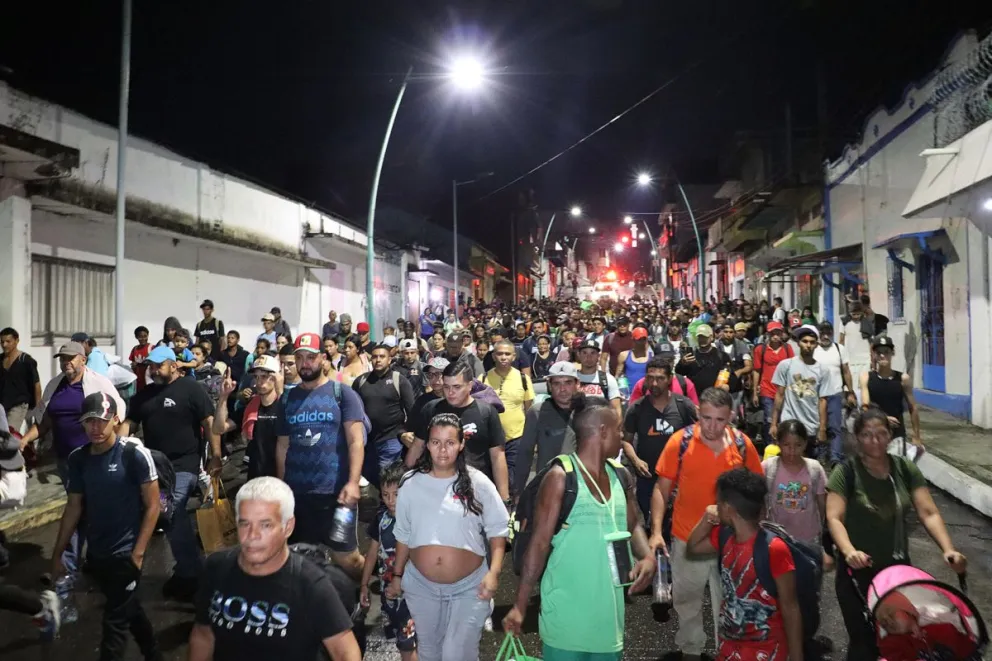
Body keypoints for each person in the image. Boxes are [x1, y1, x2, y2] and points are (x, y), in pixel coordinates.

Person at [503, 394, 656, 661]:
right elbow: (538, 545)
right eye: (618, 430)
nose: (622, 436)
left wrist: (647, 556)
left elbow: (633, 525)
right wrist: (519, 605)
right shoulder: (561, 477)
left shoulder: (621, 475)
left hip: (609, 622)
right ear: (603, 431)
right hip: (565, 620)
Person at [826, 407, 967, 661]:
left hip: (897, 573)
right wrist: (849, 552)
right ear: (857, 437)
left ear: (890, 435)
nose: (875, 440)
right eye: (867, 434)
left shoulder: (904, 469)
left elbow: (928, 512)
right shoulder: (845, 473)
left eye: (881, 433)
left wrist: (949, 549)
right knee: (864, 641)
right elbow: (834, 518)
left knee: (898, 640)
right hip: (856, 573)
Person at [188, 477, 362, 661]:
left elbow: (345, 652)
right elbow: (203, 634)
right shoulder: (217, 567)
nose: (252, 535)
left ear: (288, 527)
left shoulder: (311, 584)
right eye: (244, 523)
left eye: (266, 525)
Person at [648, 388, 764, 660]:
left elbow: (757, 491)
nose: (712, 426)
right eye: (707, 418)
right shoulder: (681, 442)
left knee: (730, 602)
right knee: (686, 601)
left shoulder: (742, 444)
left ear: (731, 417)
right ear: (698, 413)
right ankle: (690, 651)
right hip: (687, 537)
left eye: (720, 420)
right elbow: (661, 489)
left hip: (731, 542)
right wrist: (655, 532)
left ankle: (728, 651)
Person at [387, 413, 509, 661]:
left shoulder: (479, 483)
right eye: (435, 442)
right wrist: (397, 576)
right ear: (426, 444)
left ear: (461, 444)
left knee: (457, 654)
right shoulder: (410, 483)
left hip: (469, 588)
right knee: (430, 652)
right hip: (421, 586)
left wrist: (493, 573)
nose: (442, 450)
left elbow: (498, 531)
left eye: (450, 442)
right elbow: (403, 534)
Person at [51, 392, 162, 661]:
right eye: (89, 421)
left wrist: (138, 553)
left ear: (115, 420)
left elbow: (153, 505)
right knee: (128, 609)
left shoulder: (133, 454)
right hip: (98, 554)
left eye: (102, 421)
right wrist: (59, 554)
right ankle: (154, 655)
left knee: (114, 626)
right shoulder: (79, 459)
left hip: (126, 556)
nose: (95, 428)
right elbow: (73, 507)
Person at [126, 345, 220, 601]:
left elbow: (209, 423)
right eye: (151, 366)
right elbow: (129, 425)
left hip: (184, 466)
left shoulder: (191, 389)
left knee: (170, 511)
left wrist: (215, 455)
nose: (153, 371)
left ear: (174, 365)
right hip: (154, 469)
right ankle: (190, 567)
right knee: (166, 516)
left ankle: (190, 573)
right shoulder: (143, 396)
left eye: (158, 366)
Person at [685, 469, 803, 661]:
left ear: (729, 509)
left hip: (767, 651)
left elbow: (790, 606)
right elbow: (693, 547)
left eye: (718, 503)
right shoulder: (725, 536)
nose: (715, 506)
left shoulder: (774, 548)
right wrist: (707, 518)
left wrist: (797, 656)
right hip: (729, 648)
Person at [276, 333, 366, 578]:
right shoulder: (288, 399)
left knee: (346, 558)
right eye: (300, 358)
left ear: (323, 359)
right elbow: (283, 446)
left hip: (336, 495)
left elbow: (356, 441)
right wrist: (283, 489)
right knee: (302, 555)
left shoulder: (342, 394)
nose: (305, 363)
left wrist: (352, 482)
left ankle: (363, 588)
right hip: (298, 496)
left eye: (311, 357)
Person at [408, 361, 511, 505]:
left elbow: (497, 456)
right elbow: (417, 447)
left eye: (457, 387)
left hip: (476, 492)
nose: (450, 392)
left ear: (469, 386)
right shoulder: (431, 409)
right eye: (446, 387)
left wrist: (504, 499)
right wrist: (404, 483)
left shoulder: (487, 412)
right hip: (437, 492)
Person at [622, 358, 697, 525]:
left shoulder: (683, 405)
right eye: (650, 378)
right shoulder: (637, 408)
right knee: (650, 523)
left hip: (677, 478)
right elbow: (626, 441)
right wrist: (635, 461)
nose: (654, 383)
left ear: (670, 379)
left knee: (676, 523)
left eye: (660, 378)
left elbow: (701, 431)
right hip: (647, 476)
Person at [359, 463, 418, 661]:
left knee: (408, 645)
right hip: (388, 595)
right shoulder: (381, 519)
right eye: (385, 495)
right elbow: (372, 553)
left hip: (411, 596)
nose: (391, 501)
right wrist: (364, 584)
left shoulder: (416, 520)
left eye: (397, 494)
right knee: (403, 644)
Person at [762, 420, 830, 567]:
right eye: (786, 445)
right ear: (778, 443)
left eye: (798, 445)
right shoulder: (768, 468)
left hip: (808, 538)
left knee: (807, 579)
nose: (792, 451)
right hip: (776, 538)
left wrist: (824, 530)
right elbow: (760, 501)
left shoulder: (814, 469)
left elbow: (822, 502)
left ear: (805, 444)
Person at [353, 344, 415, 488]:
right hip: (367, 443)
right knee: (370, 480)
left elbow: (411, 411)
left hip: (391, 440)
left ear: (389, 360)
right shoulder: (361, 381)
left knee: (388, 482)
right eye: (374, 357)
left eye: (382, 356)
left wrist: (404, 434)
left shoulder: (399, 380)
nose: (378, 360)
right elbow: (353, 410)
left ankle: (390, 508)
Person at [513, 362, 581, 492]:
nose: (562, 389)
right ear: (549, 385)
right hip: (548, 486)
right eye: (556, 383)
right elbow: (525, 454)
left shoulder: (587, 411)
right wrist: (518, 491)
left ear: (577, 384)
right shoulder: (537, 412)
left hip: (582, 487)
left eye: (568, 383)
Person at [214, 355, 283, 479]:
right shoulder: (250, 407)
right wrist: (224, 397)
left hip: (281, 478)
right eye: (256, 377)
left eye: (265, 376)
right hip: (255, 476)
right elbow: (219, 429)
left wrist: (281, 391)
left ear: (276, 378)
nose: (259, 381)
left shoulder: (286, 405)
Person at [484, 339, 533, 497]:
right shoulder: (482, 379)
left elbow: (529, 409)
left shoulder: (523, 379)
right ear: (493, 356)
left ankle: (511, 514)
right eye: (499, 354)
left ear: (514, 356)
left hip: (516, 437)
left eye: (507, 354)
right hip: (490, 440)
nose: (503, 357)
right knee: (490, 481)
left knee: (513, 482)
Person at [770, 325, 827, 457]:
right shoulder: (786, 365)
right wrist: (774, 423)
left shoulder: (822, 370)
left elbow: (822, 400)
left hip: (811, 425)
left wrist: (822, 428)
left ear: (817, 345)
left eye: (812, 342)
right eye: (805, 341)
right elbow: (779, 395)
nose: (808, 345)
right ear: (798, 343)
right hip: (788, 422)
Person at [860, 335, 921, 455]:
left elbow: (913, 408)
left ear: (892, 353)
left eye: (886, 352)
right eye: (879, 352)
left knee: (896, 470)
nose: (883, 355)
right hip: (874, 434)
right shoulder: (866, 378)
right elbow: (865, 408)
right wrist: (883, 419)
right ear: (874, 355)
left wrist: (916, 435)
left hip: (896, 435)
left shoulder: (903, 379)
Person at [814, 321, 857, 465]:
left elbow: (846, 371)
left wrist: (850, 392)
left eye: (828, 333)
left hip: (835, 393)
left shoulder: (840, 349)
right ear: (819, 334)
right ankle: (821, 453)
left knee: (835, 426)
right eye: (823, 333)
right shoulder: (813, 349)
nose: (825, 336)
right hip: (817, 395)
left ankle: (835, 457)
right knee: (819, 425)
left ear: (832, 333)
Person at [0, 327, 41, 433]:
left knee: (9, 435)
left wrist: (38, 410)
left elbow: (36, 385)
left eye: (8, 341)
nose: (4, 345)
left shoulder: (26, 361)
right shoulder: (0, 359)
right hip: (2, 405)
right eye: (2, 342)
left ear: (16, 341)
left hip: (19, 405)